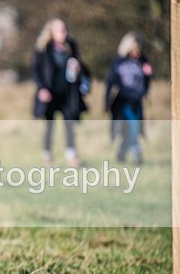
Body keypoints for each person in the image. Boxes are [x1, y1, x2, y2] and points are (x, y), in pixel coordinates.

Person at [31, 18, 90, 167]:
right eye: (59, 30)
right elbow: (36, 71)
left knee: (69, 125)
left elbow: (82, 67)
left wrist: (78, 68)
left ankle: (72, 157)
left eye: (64, 30)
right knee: (49, 126)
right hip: (49, 95)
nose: (63, 33)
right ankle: (47, 157)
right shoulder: (43, 49)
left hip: (67, 94)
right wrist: (41, 88)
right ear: (52, 32)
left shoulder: (71, 47)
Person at [104, 32, 153, 164]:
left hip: (138, 101)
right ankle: (137, 153)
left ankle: (122, 153)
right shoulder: (119, 62)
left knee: (133, 128)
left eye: (138, 50)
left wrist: (148, 75)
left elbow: (146, 82)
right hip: (124, 102)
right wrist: (106, 103)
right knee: (132, 127)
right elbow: (110, 83)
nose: (136, 53)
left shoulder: (143, 62)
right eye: (134, 50)